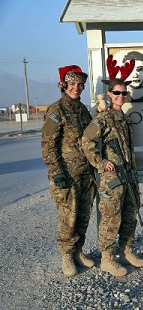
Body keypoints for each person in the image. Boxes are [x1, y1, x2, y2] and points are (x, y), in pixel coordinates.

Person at [82, 77, 143, 277]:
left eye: (123, 93)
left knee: (129, 215)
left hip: (128, 176)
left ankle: (127, 251)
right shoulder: (103, 118)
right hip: (113, 179)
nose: (120, 96)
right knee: (111, 217)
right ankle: (107, 259)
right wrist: (100, 163)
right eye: (116, 92)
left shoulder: (126, 120)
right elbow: (87, 140)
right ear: (109, 94)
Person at [41, 65, 96, 277]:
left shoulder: (81, 109)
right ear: (64, 85)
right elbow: (48, 145)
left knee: (83, 215)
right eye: (72, 84)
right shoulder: (57, 110)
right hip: (66, 175)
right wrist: (57, 173)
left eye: (80, 84)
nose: (77, 88)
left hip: (85, 173)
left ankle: (78, 251)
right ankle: (66, 255)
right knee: (68, 217)